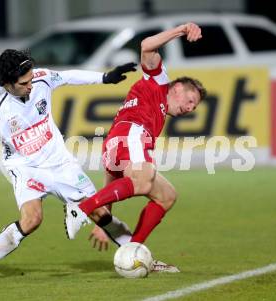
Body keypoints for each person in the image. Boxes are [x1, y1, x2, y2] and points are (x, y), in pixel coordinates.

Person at [0, 49, 138, 281]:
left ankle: (140, 256)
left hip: (60, 162)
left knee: (101, 214)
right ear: (6, 83)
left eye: (31, 79)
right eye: (24, 83)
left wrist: (105, 77)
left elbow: (68, 76)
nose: (31, 85)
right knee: (31, 220)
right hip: (25, 167)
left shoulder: (40, 78)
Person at [65, 23, 207, 272]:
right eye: (190, 100)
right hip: (131, 133)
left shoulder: (157, 113)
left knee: (166, 196)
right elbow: (146, 45)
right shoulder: (158, 81)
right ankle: (82, 208)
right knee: (143, 179)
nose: (190, 108)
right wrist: (182, 30)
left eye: (194, 107)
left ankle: (135, 251)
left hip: (117, 142)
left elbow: (113, 177)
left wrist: (103, 221)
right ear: (177, 87)